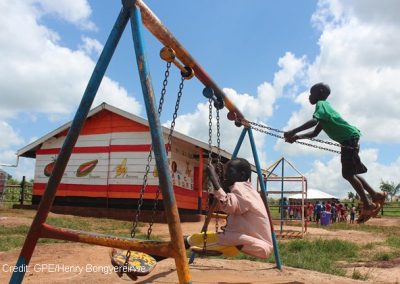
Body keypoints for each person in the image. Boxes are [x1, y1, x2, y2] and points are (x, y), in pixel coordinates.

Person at [283, 83, 386, 223]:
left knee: (347, 174)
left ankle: (368, 205)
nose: (309, 96)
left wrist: (293, 131)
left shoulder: (321, 104)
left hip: (348, 139)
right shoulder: (325, 111)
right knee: (350, 174)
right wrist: (297, 137)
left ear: (319, 92)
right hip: (349, 139)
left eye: (311, 93)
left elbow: (313, 121)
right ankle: (376, 195)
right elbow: (314, 133)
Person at [186, 158, 274, 259]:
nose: (226, 175)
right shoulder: (246, 189)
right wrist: (222, 185)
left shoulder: (242, 189)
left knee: (198, 240)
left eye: (230, 172)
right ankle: (189, 242)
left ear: (242, 175)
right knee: (198, 238)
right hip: (252, 241)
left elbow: (228, 206)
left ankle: (217, 246)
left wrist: (214, 179)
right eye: (226, 172)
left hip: (259, 245)